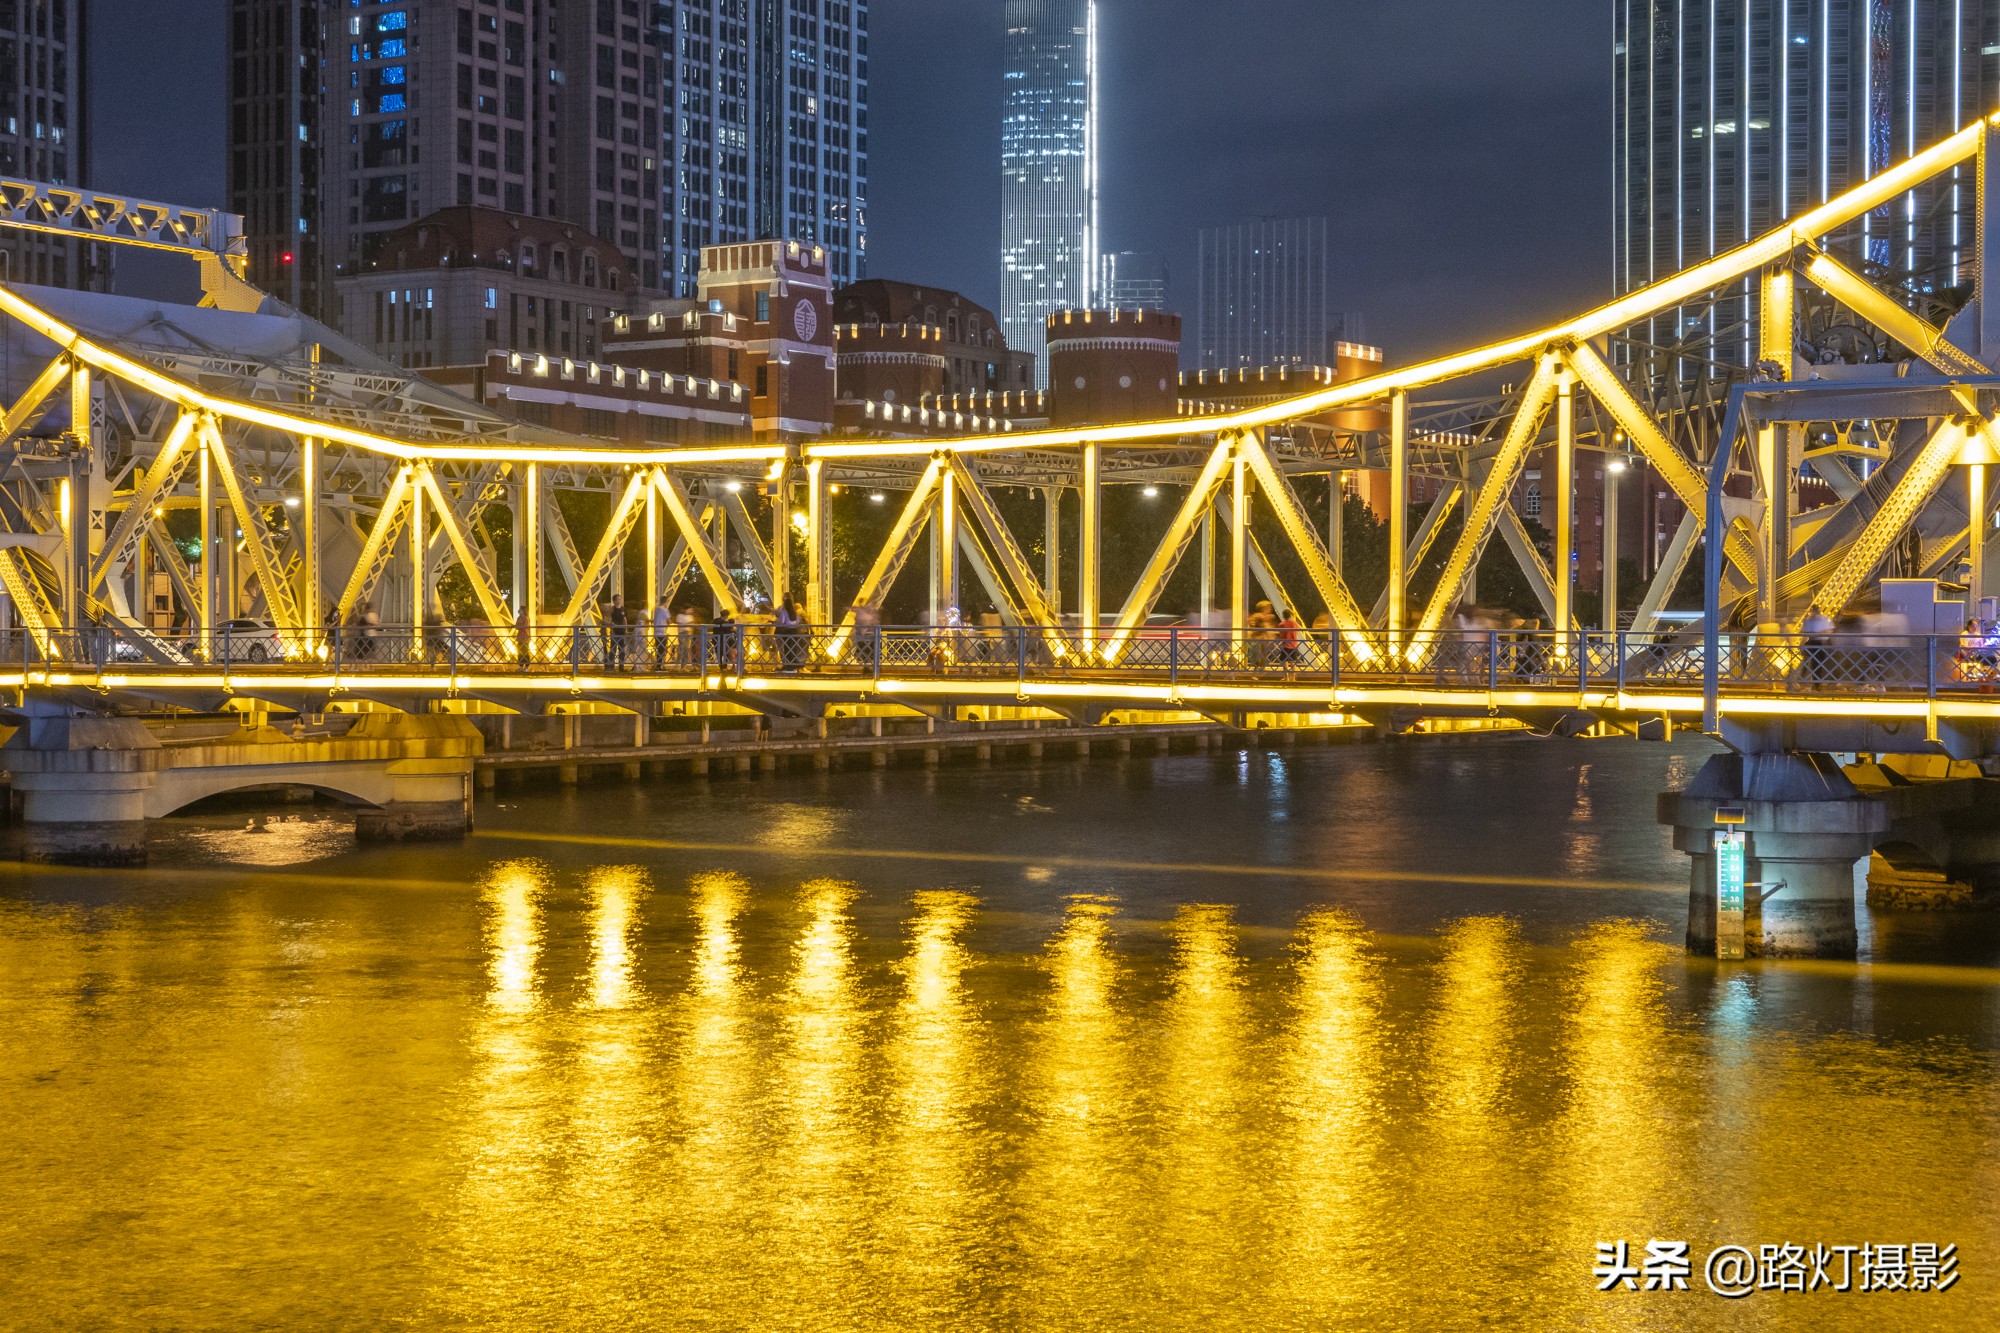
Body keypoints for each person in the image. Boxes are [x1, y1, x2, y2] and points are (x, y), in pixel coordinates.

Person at [775, 591, 806, 671]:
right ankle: (794, 665)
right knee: (793, 648)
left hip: (787, 632)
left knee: (787, 648)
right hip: (795, 632)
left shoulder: (784, 611)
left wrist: (776, 622)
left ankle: (788, 666)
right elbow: (797, 621)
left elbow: (782, 622)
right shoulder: (794, 612)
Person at [607, 594, 628, 670]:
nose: (619, 601)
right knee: (613, 650)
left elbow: (625, 619)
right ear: (614, 601)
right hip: (614, 632)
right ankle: (611, 667)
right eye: (617, 599)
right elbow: (609, 620)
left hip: (622, 632)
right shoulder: (612, 609)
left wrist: (626, 629)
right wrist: (611, 630)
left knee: (622, 650)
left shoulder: (623, 609)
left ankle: (621, 667)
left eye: (620, 599)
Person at [652, 596, 672, 671]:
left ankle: (658, 665)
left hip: (656, 631)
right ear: (666, 601)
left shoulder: (656, 609)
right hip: (662, 632)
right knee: (663, 649)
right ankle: (661, 666)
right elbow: (669, 621)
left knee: (658, 649)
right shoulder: (664, 610)